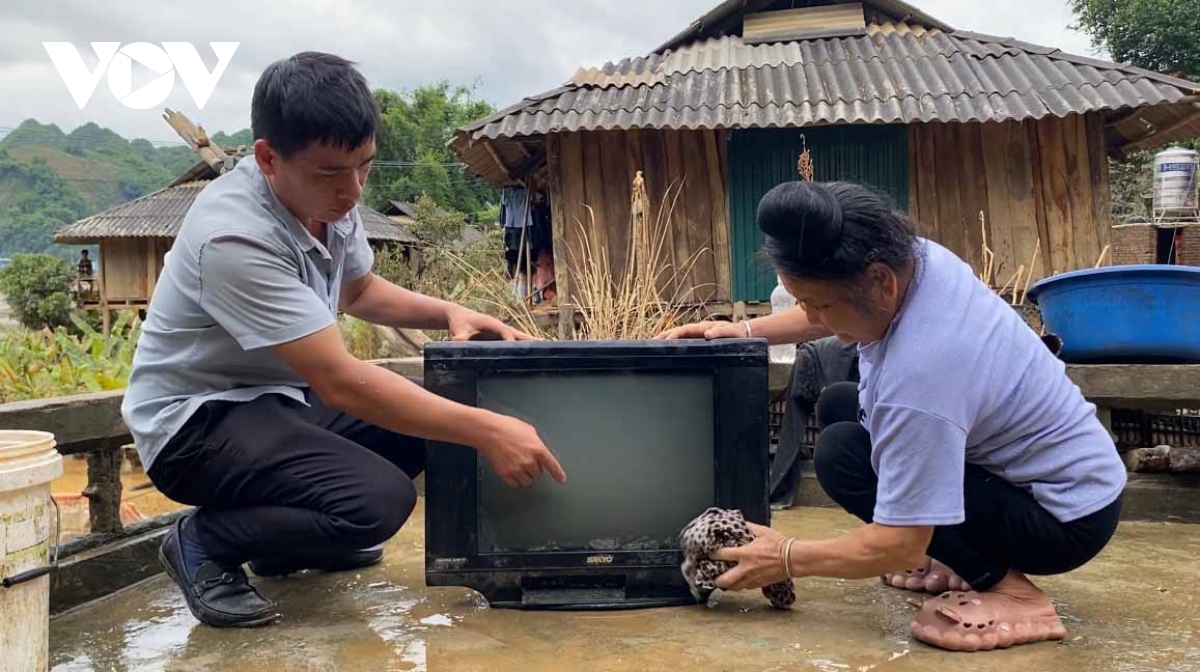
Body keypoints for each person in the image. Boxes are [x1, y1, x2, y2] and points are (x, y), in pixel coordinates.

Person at [121, 52, 566, 629]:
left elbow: (358, 291)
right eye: (332, 172)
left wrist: (451, 310)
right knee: (378, 502)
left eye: (365, 166)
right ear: (267, 158)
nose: (353, 189)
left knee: (433, 427)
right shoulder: (233, 237)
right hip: (193, 427)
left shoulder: (328, 201)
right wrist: (489, 429)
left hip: (273, 404)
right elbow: (339, 381)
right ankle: (205, 542)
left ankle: (285, 547)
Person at [658, 181, 1125, 652]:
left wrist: (785, 556)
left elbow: (898, 544)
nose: (811, 314)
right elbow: (834, 307)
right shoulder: (917, 259)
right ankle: (957, 550)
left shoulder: (921, 373)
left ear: (881, 282)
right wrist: (741, 329)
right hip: (1063, 474)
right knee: (841, 403)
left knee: (842, 456)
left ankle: (1013, 592)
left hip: (1063, 519)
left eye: (817, 303)